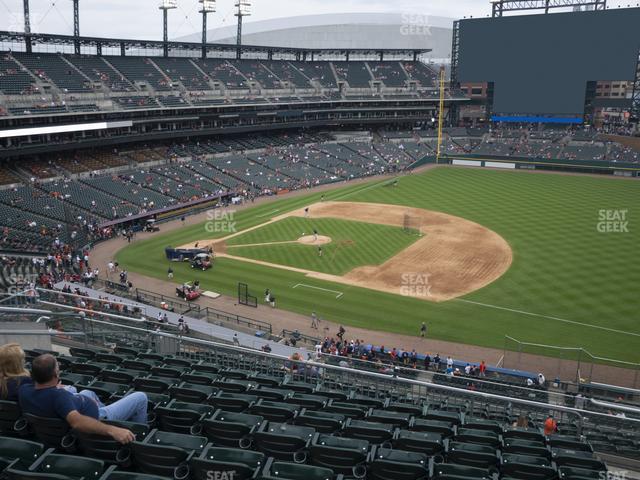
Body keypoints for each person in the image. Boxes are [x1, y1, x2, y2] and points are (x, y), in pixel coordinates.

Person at [19, 354, 146, 444]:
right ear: (55, 375)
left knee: (87, 392)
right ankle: (139, 436)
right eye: (58, 367)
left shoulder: (24, 389)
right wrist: (112, 430)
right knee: (140, 397)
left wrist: (55, 387)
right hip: (99, 420)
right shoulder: (59, 397)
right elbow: (77, 422)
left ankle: (114, 412)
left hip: (74, 407)